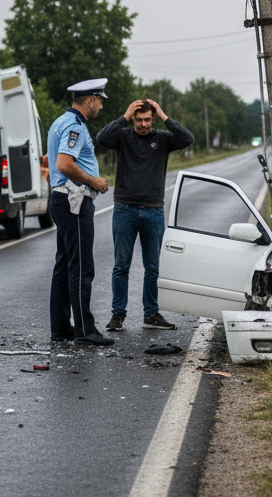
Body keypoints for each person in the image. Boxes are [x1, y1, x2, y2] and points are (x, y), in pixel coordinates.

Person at [97, 99, 194, 331]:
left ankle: (151, 314)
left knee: (153, 267)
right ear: (133, 119)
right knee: (121, 265)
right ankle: (117, 316)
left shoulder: (162, 139)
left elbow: (187, 138)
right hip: (124, 209)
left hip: (153, 210)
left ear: (152, 118)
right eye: (138, 120)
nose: (143, 124)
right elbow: (101, 138)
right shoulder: (123, 136)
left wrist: (163, 114)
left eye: (147, 119)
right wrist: (124, 115)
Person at [48, 79, 113, 346]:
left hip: (62, 200)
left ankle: (62, 328)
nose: (100, 105)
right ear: (89, 100)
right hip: (74, 201)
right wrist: (92, 180)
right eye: (99, 100)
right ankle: (85, 330)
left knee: (64, 265)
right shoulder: (75, 126)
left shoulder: (61, 121)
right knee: (81, 266)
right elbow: (64, 163)